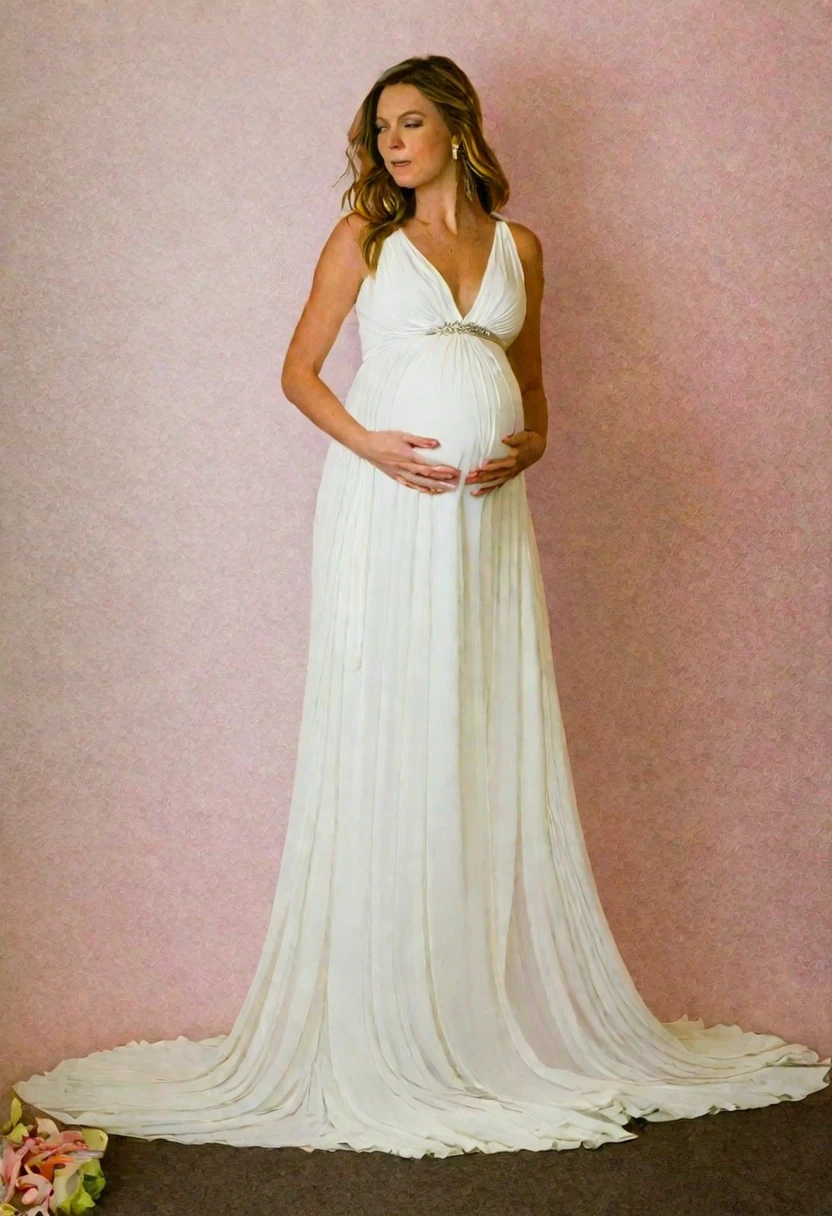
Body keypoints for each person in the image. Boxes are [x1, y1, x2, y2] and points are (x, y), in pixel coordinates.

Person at [14, 53, 829, 1159]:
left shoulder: (521, 248)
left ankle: (476, 1005)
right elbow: (299, 372)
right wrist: (369, 444)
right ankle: (388, 1010)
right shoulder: (362, 242)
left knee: (477, 726)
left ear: (455, 126)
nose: (390, 145)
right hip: (384, 510)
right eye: (378, 131)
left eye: (407, 124)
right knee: (394, 720)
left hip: (486, 521)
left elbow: (534, 390)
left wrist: (527, 445)